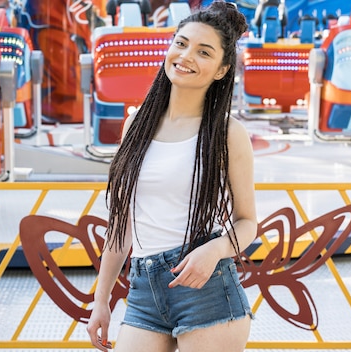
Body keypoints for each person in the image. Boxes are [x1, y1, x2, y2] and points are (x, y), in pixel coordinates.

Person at [86, 1, 257, 351]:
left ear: (222, 69)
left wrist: (215, 250)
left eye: (203, 52)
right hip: (144, 288)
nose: (186, 56)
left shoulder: (227, 133)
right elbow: (121, 223)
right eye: (181, 43)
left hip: (206, 287)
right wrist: (101, 299)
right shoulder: (136, 125)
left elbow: (247, 221)